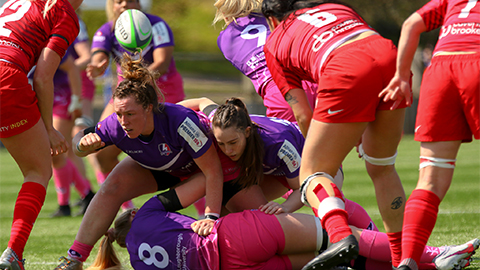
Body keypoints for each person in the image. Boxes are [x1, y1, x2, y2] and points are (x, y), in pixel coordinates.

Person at [261, 1, 409, 269]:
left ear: (271, 19)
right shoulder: (335, 6)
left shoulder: (273, 42)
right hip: (390, 56)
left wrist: (319, 155)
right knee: (383, 168)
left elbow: (303, 115)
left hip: (345, 66)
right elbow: (366, 50)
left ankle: (341, 236)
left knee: (312, 173)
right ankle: (403, 259)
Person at [53, 53, 223, 270]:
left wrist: (211, 218)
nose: (124, 121)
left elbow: (214, 172)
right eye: (119, 114)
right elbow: (78, 143)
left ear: (149, 107)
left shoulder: (181, 123)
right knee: (112, 186)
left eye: (130, 114)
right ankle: (74, 257)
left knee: (227, 221)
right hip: (164, 167)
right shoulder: (115, 125)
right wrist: (82, 146)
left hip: (208, 169)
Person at [83, 194, 479, 270]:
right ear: (130, 215)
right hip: (236, 235)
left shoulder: (136, 262)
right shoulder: (148, 209)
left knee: (342, 261)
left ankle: (430, 267)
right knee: (342, 238)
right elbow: (200, 182)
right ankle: (429, 255)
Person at [379, 0, 479, 269]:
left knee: (430, 179)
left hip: (441, 68)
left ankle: (408, 261)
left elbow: (411, 24)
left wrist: (401, 76)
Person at [85, 0, 185, 208]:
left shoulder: (157, 25)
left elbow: (162, 63)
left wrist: (139, 78)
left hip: (164, 94)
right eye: (118, 1)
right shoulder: (107, 31)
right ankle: (126, 210)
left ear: (138, 3)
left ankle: (205, 215)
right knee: (99, 152)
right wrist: (97, 64)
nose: (124, 5)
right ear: (112, 5)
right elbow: (98, 54)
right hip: (127, 96)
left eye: (130, 0)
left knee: (186, 158)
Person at [213, 0, 317, 123]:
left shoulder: (224, 39)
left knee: (296, 140)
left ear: (224, 12)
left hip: (278, 93)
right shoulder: (272, 17)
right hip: (309, 78)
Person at [27, 48, 95, 218]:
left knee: (56, 153)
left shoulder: (46, 45)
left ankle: (69, 203)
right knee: (54, 156)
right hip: (43, 101)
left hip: (61, 99)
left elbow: (72, 68)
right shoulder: (16, 46)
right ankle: (85, 195)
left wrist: (76, 100)